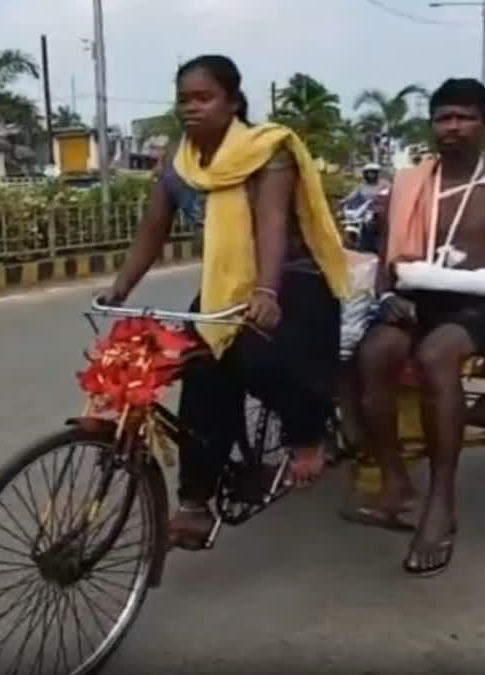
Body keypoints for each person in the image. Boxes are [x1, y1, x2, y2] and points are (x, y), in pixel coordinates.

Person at [99, 55, 348, 550]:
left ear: (232, 102)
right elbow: (154, 230)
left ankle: (307, 434)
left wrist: (267, 291)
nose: (191, 108)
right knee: (202, 371)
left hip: (291, 276)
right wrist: (120, 288)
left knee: (260, 359)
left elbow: (272, 223)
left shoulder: (267, 149)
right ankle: (196, 498)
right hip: (225, 285)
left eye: (203, 97)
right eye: (183, 100)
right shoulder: (179, 162)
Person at [344, 78, 485, 576]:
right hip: (421, 299)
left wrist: (430, 277)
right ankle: (395, 482)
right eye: (444, 117)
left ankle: (441, 505)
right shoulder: (411, 183)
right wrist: (389, 294)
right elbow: (387, 254)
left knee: (437, 354)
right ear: (432, 124)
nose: (453, 127)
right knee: (372, 352)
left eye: (464, 117)